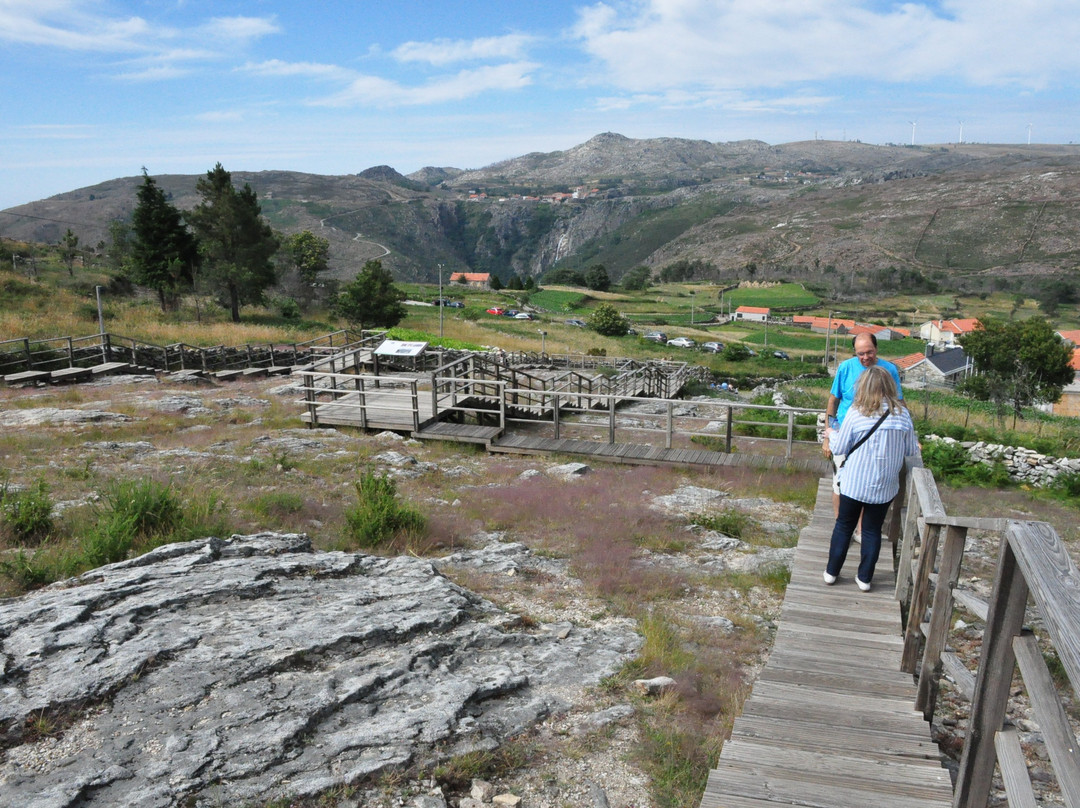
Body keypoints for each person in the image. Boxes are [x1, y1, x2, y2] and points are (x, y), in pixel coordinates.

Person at [823, 366, 918, 591]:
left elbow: (840, 447)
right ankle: (865, 578)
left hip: (854, 483)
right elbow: (911, 449)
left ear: (864, 386)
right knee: (872, 530)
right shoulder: (903, 415)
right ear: (889, 386)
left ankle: (831, 572)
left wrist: (831, 434)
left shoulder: (857, 413)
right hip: (884, 486)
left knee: (844, 526)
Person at [823, 332, 903, 534]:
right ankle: (841, 526)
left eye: (869, 352)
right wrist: (827, 436)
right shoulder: (846, 368)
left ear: (877, 349)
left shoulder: (889, 370)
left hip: (875, 435)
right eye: (860, 354)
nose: (865, 357)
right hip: (844, 432)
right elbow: (833, 401)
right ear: (854, 353)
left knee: (864, 484)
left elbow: (899, 402)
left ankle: (860, 529)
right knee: (839, 483)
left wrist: (911, 434)